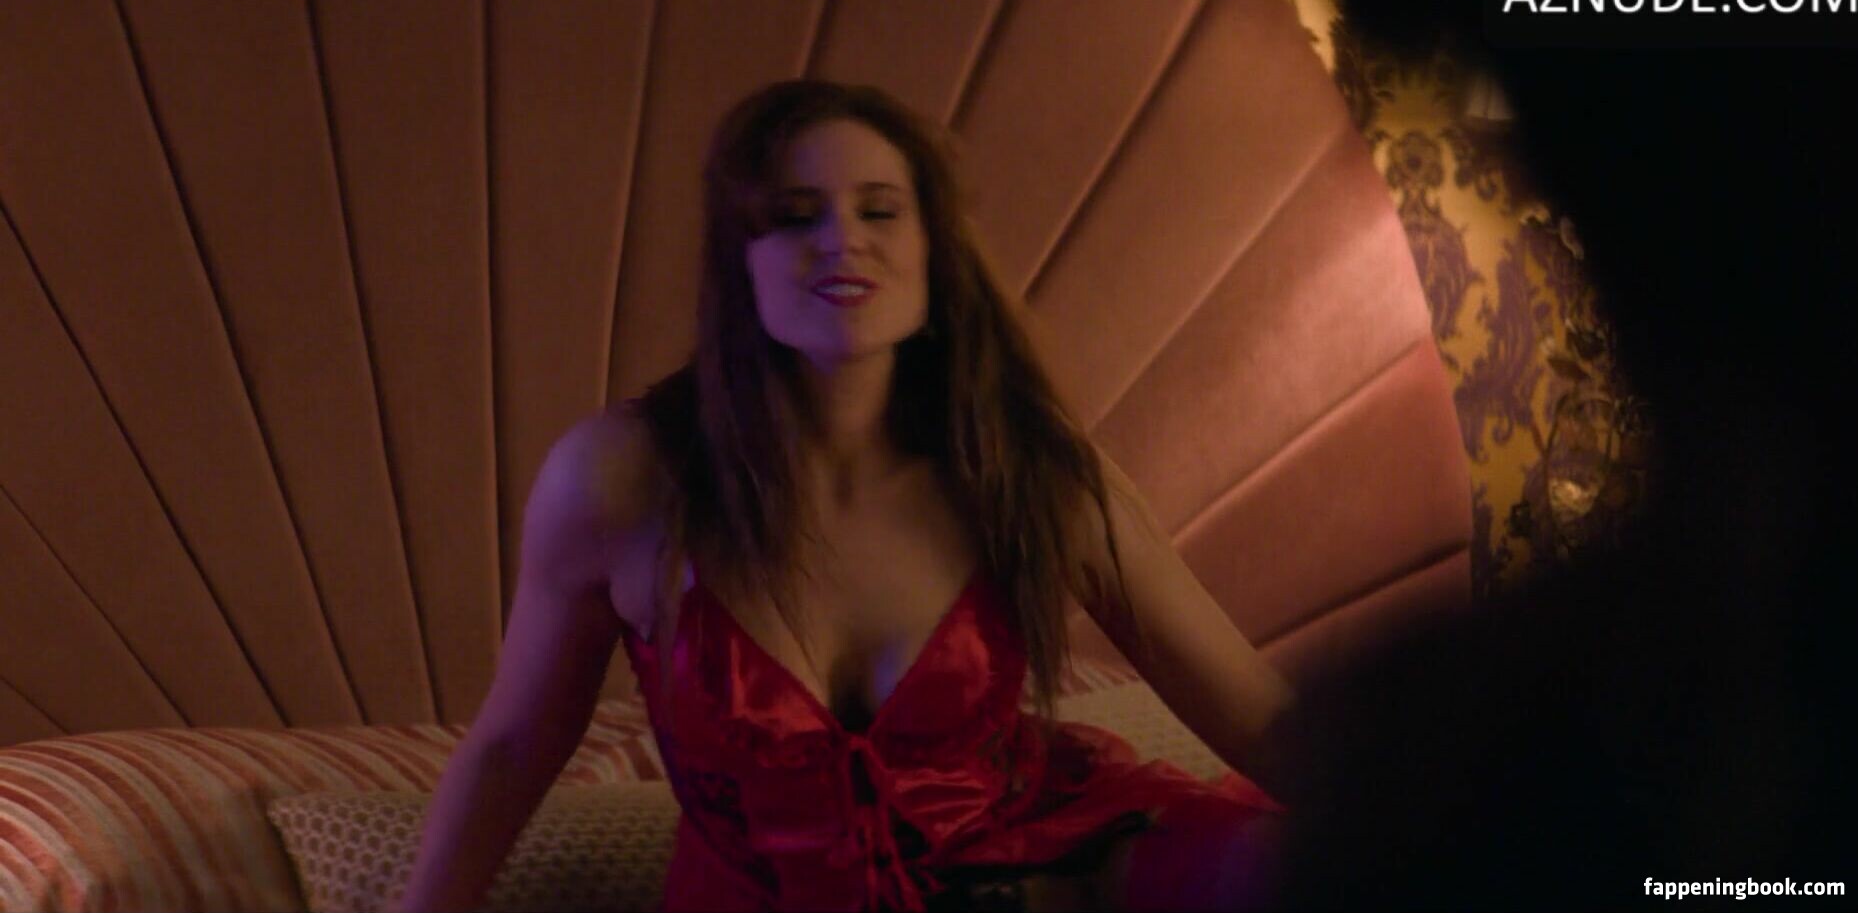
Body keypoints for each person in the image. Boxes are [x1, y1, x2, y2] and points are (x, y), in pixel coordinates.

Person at [398, 79, 1296, 912]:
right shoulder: (619, 481)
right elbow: (512, 747)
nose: (842, 238)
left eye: (880, 210)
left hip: (1039, 869)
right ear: (739, 261)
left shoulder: (1030, 471)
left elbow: (1259, 717)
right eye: (796, 215)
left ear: (930, 248)